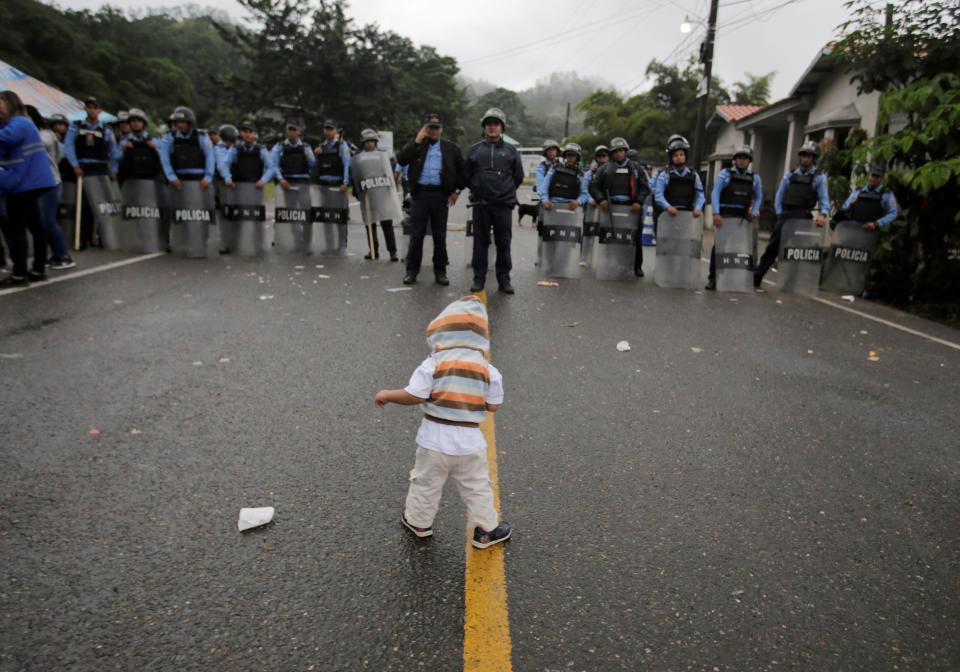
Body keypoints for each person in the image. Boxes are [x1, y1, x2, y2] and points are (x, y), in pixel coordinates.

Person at [374, 295, 511, 549]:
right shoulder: (488, 369)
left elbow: (415, 395)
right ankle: (486, 531)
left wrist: (386, 395)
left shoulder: (434, 363)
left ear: (442, 330)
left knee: (425, 483)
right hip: (470, 443)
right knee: (477, 488)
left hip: (433, 440)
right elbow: (493, 406)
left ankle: (418, 522)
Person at [396, 112, 465, 285]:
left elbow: (462, 172)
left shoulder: (450, 148)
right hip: (420, 195)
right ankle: (411, 271)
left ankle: (440, 272)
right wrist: (417, 141)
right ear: (425, 128)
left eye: (436, 128)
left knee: (439, 236)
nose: (433, 131)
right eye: (430, 128)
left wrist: (457, 190)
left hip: (440, 195)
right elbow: (402, 160)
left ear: (441, 129)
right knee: (416, 235)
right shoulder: (417, 145)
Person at [753, 140, 829, 289]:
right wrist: (780, 213)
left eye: (809, 156)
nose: (806, 159)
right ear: (800, 157)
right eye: (804, 155)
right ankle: (757, 277)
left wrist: (823, 214)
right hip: (787, 215)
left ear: (814, 158)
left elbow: (824, 198)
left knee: (797, 251)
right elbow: (780, 195)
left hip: (803, 216)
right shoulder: (790, 175)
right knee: (772, 248)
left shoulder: (819, 178)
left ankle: (790, 282)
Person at [464, 107, 524, 294]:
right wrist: (476, 188)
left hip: (503, 205)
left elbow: (518, 176)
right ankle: (479, 278)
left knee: (503, 243)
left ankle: (504, 279)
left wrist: (504, 192)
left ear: (502, 127)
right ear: (484, 127)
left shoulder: (511, 150)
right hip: (481, 204)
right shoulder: (475, 150)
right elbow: (467, 174)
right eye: (488, 124)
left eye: (495, 124)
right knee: (480, 242)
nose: (492, 127)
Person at [0, 91, 57, 287]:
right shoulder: (16, 124)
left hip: (23, 183)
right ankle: (38, 269)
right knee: (35, 226)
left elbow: (5, 140)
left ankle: (19, 274)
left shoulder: (20, 123)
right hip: (28, 182)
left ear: (11, 103)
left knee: (16, 229)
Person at [588, 137, 651, 276]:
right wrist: (601, 200)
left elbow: (645, 188)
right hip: (611, 208)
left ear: (626, 151)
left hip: (631, 209)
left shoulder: (637, 169)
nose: (618, 154)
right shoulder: (605, 168)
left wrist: (638, 202)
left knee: (634, 238)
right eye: (615, 151)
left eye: (621, 151)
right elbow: (593, 186)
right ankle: (610, 263)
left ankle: (636, 266)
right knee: (611, 237)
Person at [63, 96, 121, 247]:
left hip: (101, 170)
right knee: (84, 206)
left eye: (94, 107)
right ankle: (82, 238)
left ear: (99, 110)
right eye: (88, 107)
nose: (91, 110)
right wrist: (75, 166)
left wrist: (114, 169)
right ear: (85, 109)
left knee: (103, 205)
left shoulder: (106, 130)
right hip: (84, 170)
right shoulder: (76, 126)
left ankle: (104, 238)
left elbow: (113, 152)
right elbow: (68, 147)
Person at [705, 144, 762, 290]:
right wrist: (716, 213)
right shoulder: (725, 174)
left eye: (745, 158)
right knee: (719, 247)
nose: (742, 161)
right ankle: (713, 278)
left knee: (740, 249)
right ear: (734, 160)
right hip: (725, 216)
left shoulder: (754, 178)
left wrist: (754, 211)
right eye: (739, 158)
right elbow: (715, 193)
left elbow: (759, 196)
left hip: (742, 218)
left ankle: (736, 278)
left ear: (749, 161)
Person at [25, 106, 74, 269]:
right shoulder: (43, 134)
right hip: (36, 183)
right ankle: (52, 255)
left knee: (47, 221)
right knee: (39, 221)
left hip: (50, 182)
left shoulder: (43, 135)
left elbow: (59, 154)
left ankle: (63, 255)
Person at [353, 128, 399, 261]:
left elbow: (390, 173)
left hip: (382, 193)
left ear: (375, 142)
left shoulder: (383, 156)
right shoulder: (359, 158)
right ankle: (373, 250)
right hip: (367, 194)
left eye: (372, 142)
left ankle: (392, 251)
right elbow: (355, 175)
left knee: (387, 223)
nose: (369, 144)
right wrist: (358, 192)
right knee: (370, 223)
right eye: (367, 142)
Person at [159, 107, 215, 190]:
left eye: (183, 122)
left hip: (200, 179)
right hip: (179, 180)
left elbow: (210, 157)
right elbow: (164, 158)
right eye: (178, 122)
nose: (180, 125)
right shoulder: (169, 137)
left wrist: (208, 177)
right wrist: (171, 177)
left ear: (190, 123)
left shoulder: (201, 136)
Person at [839, 166, 898, 230]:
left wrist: (876, 223)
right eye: (872, 176)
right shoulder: (858, 191)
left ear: (882, 179)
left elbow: (893, 213)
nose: (874, 179)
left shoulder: (887, 194)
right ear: (869, 176)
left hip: (871, 231)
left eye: (877, 177)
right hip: (854, 228)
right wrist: (851, 204)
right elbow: (845, 207)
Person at [220, 120, 273, 188]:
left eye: (250, 132)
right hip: (237, 186)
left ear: (255, 134)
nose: (248, 135)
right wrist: (228, 178)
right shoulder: (234, 149)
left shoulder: (262, 150)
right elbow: (225, 164)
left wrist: (264, 180)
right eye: (245, 132)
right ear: (241, 133)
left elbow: (270, 168)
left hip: (256, 186)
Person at [539, 142, 588, 211]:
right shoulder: (554, 169)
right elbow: (544, 186)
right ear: (565, 156)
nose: (570, 157)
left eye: (573, 155)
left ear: (577, 157)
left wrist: (578, 202)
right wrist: (545, 200)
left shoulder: (581, 175)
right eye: (568, 155)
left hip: (571, 208)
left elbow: (585, 193)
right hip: (552, 205)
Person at [270, 119, 315, 188]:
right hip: (285, 180)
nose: (291, 132)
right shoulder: (278, 147)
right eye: (289, 129)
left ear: (299, 131)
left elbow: (313, 165)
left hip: (302, 181)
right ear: (286, 130)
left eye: (294, 130)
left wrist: (308, 156)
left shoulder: (306, 147)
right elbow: (273, 165)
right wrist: (281, 179)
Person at [312, 118, 351, 194]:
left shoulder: (342, 146)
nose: (328, 132)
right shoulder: (321, 147)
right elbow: (315, 168)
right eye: (326, 129)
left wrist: (345, 183)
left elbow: (347, 165)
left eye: (331, 129)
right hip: (323, 185)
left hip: (337, 185)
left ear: (336, 131)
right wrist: (316, 156)